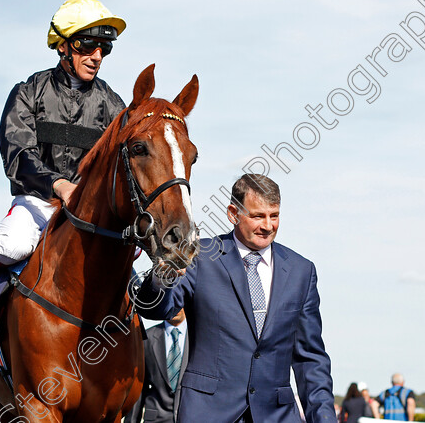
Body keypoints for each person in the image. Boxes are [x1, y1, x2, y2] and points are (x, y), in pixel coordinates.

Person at [0, 0, 127, 320]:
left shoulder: (112, 104)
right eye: (87, 45)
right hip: (38, 201)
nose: (96, 57)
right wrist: (58, 185)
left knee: (130, 253)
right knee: (11, 246)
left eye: (104, 49)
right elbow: (17, 151)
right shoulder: (28, 92)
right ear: (63, 46)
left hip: (89, 210)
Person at [135, 174, 336, 422]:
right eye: (257, 216)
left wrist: (324, 417)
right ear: (233, 213)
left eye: (274, 215)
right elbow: (156, 310)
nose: (268, 225)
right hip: (208, 413)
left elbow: (310, 358)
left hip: (278, 415)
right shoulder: (199, 257)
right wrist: (160, 278)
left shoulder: (301, 271)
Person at [125, 309, 188, 423]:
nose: (176, 307)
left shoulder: (199, 338)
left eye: (180, 301)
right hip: (155, 419)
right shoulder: (145, 338)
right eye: (171, 302)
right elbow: (138, 387)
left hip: (191, 417)